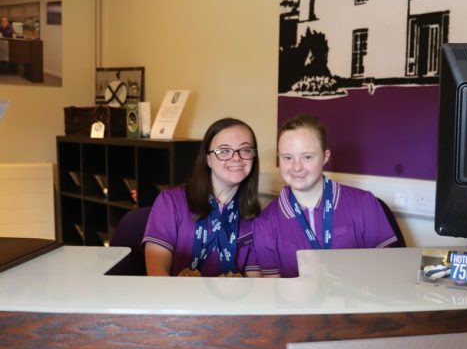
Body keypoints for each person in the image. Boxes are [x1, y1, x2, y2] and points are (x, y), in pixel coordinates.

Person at [251, 113, 398, 278]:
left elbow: (387, 275)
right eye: (287, 157)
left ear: (325, 157)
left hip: (356, 302)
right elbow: (274, 292)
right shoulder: (265, 223)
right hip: (298, 304)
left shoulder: (364, 204)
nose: (296, 167)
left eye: (307, 157)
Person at [143, 117, 262, 277]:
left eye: (245, 150)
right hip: (178, 298)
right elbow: (157, 273)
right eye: (224, 151)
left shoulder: (255, 216)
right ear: (207, 159)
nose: (236, 158)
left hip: (233, 300)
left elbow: (255, 281)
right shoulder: (170, 202)